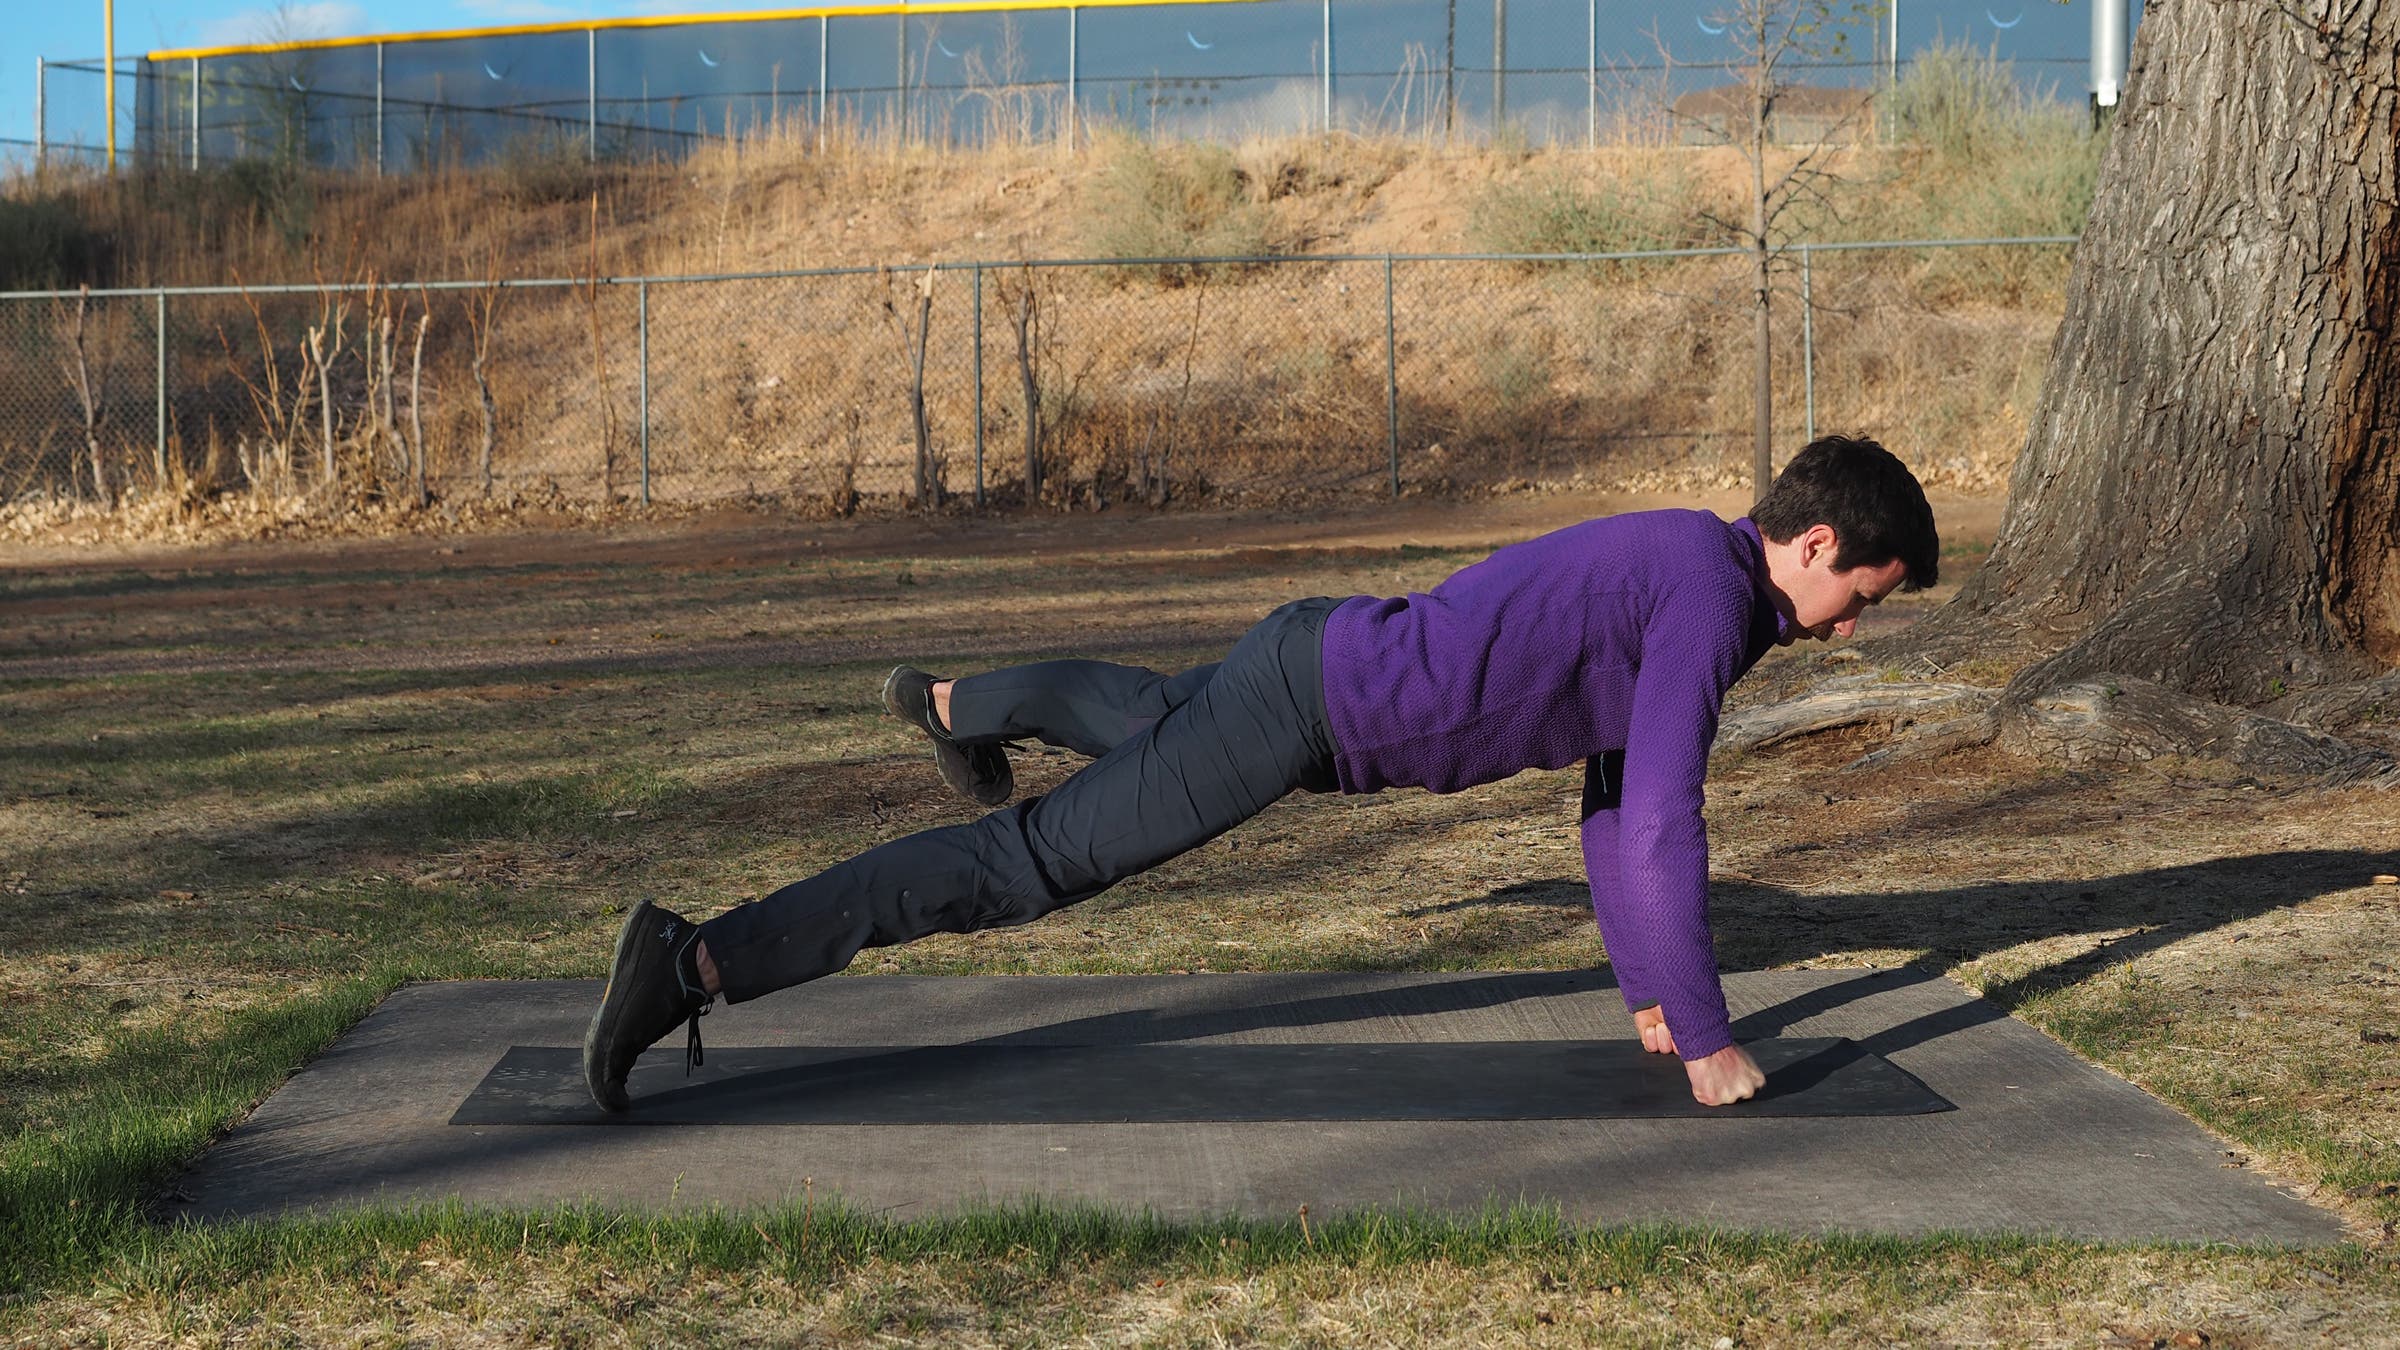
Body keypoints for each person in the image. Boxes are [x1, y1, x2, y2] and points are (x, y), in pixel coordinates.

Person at [584, 435, 1939, 1112]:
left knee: (1151, 713)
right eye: (1863, 599)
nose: (1852, 630)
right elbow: (1661, 823)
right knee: (1024, 864)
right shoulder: (1710, 599)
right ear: (1817, 545)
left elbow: (1612, 791)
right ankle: (694, 962)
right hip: (1310, 708)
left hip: (1316, 658)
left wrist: (1647, 986)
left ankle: (958, 706)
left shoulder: (1694, 566)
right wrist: (1704, 1032)